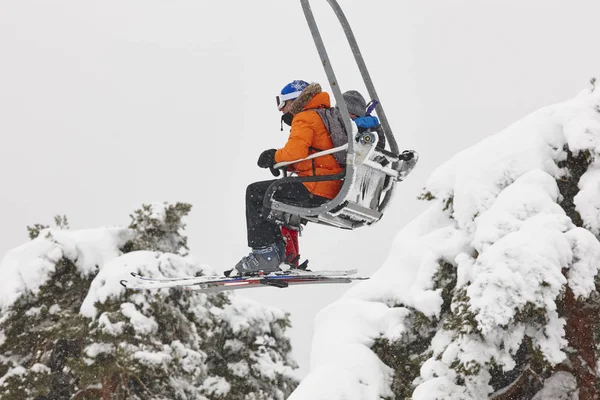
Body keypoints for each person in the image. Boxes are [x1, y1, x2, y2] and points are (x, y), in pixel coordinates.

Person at [233, 80, 343, 275]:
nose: (282, 110)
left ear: (296, 100)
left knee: (255, 192)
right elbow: (315, 156)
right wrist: (283, 164)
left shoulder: (306, 117)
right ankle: (281, 254)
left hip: (315, 188)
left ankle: (265, 253)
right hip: (329, 184)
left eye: (283, 103)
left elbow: (295, 152)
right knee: (273, 194)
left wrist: (273, 156)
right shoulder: (322, 115)